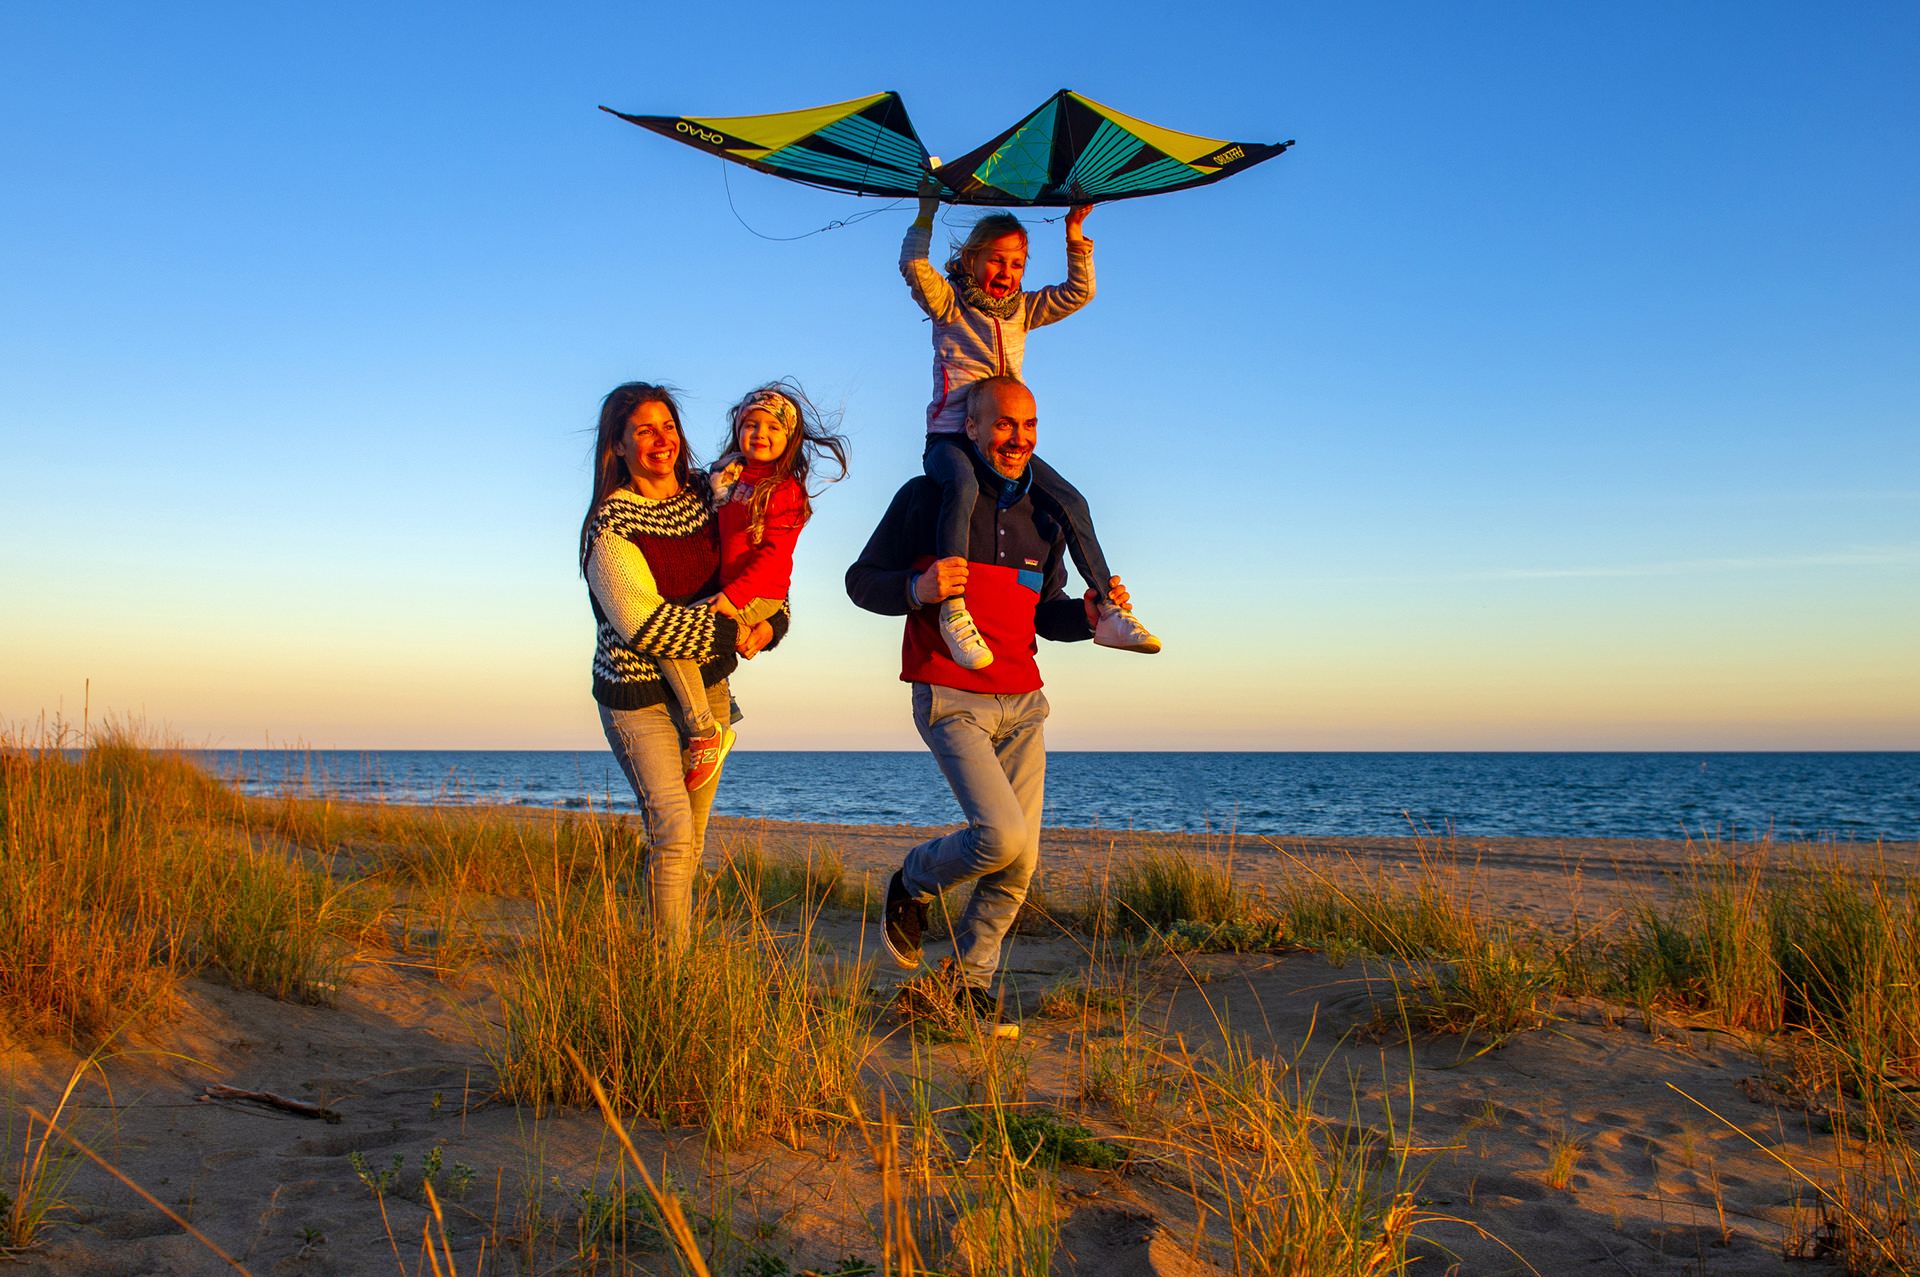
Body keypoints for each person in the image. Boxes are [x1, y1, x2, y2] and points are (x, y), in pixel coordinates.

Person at [845, 375, 1133, 1035]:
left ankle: (969, 984)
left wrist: (1085, 617)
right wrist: (917, 586)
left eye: (1029, 426)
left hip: (1023, 700)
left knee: (1021, 859)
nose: (1019, 439)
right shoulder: (928, 498)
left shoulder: (1047, 515)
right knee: (998, 836)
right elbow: (861, 582)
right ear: (968, 428)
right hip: (951, 693)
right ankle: (911, 882)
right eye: (1004, 424)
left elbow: (1045, 614)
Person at [900, 184, 1159, 670]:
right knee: (960, 487)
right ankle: (954, 610)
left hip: (1005, 444)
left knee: (1070, 500)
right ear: (972, 259)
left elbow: (1079, 292)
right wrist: (926, 211)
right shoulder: (951, 304)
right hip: (952, 440)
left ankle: (1107, 609)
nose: (1008, 272)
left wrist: (1075, 234)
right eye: (997, 260)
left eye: (1017, 264)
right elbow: (915, 268)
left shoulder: (1022, 309)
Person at [579, 381, 785, 946]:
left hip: (708, 692)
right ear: (618, 446)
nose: (660, 440)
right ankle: (668, 972)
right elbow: (644, 625)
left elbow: (758, 567)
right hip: (637, 695)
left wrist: (771, 624)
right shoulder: (610, 525)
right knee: (669, 830)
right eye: (643, 430)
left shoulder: (712, 494)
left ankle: (674, 956)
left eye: (667, 426)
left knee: (691, 838)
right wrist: (730, 625)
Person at [654, 382, 848, 790]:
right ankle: (726, 708)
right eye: (750, 424)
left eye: (773, 427)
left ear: (790, 438)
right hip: (733, 586)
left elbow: (775, 558)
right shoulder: (726, 478)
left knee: (672, 639)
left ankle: (704, 729)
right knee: (691, 638)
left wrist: (735, 599)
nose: (760, 434)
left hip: (758, 591)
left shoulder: (785, 490)